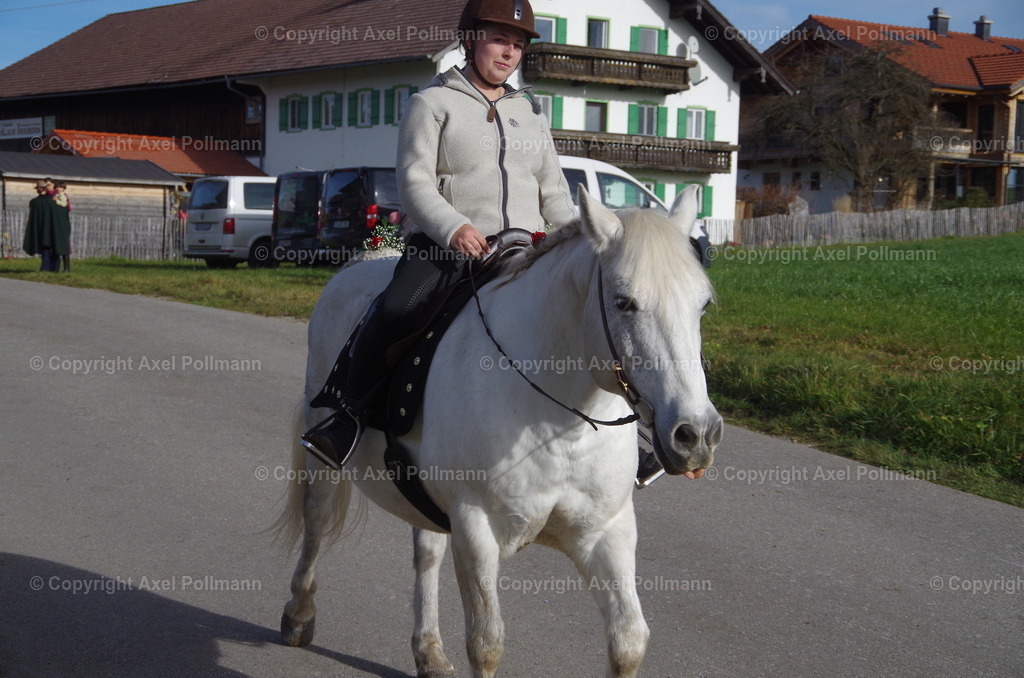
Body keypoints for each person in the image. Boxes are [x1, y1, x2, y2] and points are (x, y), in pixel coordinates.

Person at [301, 0, 578, 469]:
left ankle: (622, 435)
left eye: (517, 44)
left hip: (524, 249)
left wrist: (574, 240)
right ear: (470, 40)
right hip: (447, 248)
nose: (509, 53)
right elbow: (414, 183)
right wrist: (454, 228)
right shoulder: (431, 103)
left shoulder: (531, 111)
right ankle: (347, 417)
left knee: (587, 312)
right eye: (499, 40)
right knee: (395, 310)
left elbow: (554, 191)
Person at [22, 179, 70, 272]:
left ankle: (49, 268)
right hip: (50, 228)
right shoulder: (45, 201)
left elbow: (63, 211)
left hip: (48, 228)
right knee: (50, 247)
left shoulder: (47, 200)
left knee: (50, 247)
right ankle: (50, 268)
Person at [53, 181, 72, 272]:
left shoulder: (63, 196)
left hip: (63, 222)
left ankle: (66, 268)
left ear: (63, 188)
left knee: (65, 247)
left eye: (60, 187)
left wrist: (56, 201)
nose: (58, 189)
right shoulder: (57, 195)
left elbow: (64, 204)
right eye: (57, 187)